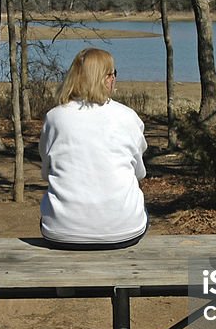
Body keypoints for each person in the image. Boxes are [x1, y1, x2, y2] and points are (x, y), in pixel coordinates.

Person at [39, 48, 148, 249]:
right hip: (124, 230)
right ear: (106, 79)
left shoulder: (54, 118)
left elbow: (47, 172)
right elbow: (138, 173)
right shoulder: (127, 116)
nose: (114, 79)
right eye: (113, 73)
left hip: (61, 230)